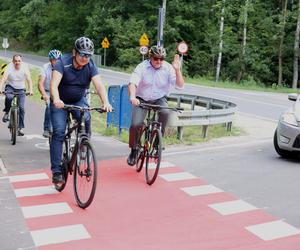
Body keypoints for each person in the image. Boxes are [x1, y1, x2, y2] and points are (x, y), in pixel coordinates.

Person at [50, 36, 112, 185]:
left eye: (88, 55)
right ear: (74, 52)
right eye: (82, 54)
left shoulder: (90, 66)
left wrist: (106, 102)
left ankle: (83, 144)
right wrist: (57, 100)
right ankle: (57, 171)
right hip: (60, 101)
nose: (85, 58)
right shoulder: (62, 63)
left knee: (87, 119)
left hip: (78, 99)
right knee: (58, 132)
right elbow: (53, 84)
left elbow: (99, 85)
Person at [127, 45, 185, 166]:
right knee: (135, 124)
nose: (158, 61)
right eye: (155, 58)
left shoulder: (169, 68)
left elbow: (180, 86)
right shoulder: (142, 66)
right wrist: (132, 97)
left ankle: (156, 145)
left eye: (161, 58)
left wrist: (178, 70)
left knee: (165, 113)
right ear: (150, 57)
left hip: (159, 98)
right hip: (141, 98)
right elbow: (133, 82)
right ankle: (134, 150)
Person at [0, 54, 33, 136]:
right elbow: (3, 79)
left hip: (21, 88)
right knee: (9, 97)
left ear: (21, 61)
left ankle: (20, 128)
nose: (17, 63)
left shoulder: (25, 67)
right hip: (10, 86)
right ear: (13, 61)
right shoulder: (9, 67)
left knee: (21, 108)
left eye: (19, 61)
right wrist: (0, 89)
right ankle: (7, 112)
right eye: (15, 61)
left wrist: (31, 90)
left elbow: (29, 80)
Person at [38, 49, 62, 138]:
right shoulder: (45, 67)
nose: (55, 62)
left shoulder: (63, 67)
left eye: (57, 60)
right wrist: (44, 94)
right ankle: (47, 129)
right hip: (48, 91)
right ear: (50, 60)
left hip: (60, 91)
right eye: (53, 60)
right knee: (49, 106)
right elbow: (40, 84)